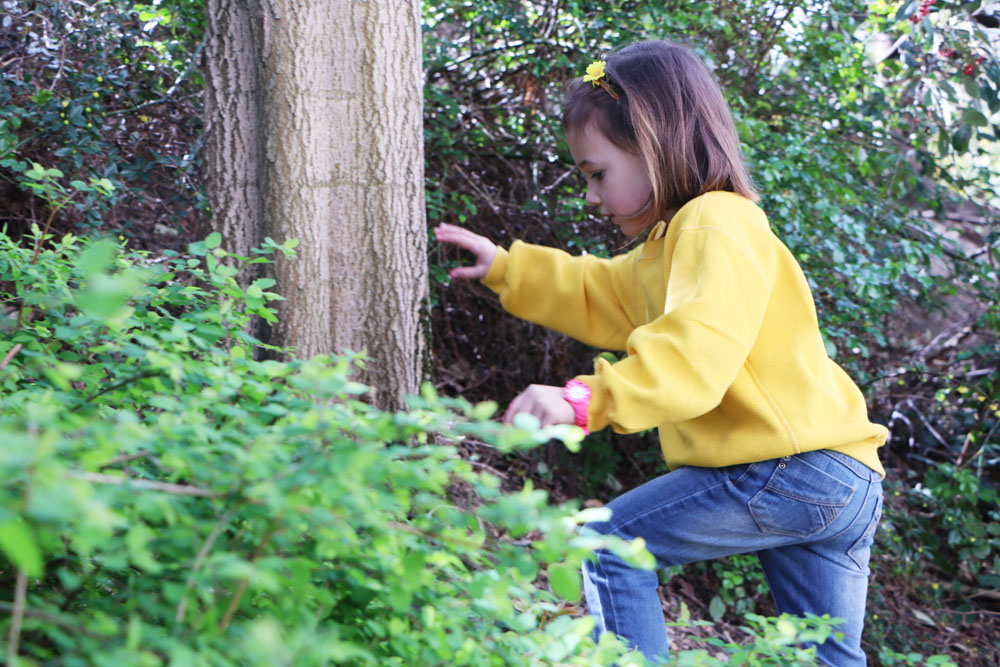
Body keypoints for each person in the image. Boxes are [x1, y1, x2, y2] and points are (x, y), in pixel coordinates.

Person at [434, 40, 885, 666]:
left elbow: (693, 357)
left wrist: (581, 401)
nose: (591, 195)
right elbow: (601, 294)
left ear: (656, 142)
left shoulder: (714, 224)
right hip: (841, 474)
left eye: (597, 173)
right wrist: (509, 269)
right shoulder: (673, 246)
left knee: (606, 545)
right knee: (826, 656)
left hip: (791, 469)